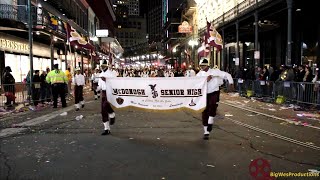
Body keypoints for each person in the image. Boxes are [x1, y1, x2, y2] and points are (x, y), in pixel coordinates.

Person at [196, 58, 234, 140]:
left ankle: (210, 122)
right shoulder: (199, 74)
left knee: (212, 106)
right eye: (201, 66)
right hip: (204, 94)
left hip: (214, 92)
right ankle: (206, 132)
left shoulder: (215, 72)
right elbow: (196, 84)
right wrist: (206, 80)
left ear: (207, 65)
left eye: (203, 66)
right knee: (204, 111)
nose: (202, 67)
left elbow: (227, 75)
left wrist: (231, 83)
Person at [97, 61, 116, 135]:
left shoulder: (112, 74)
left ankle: (112, 114)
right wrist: (96, 88)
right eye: (101, 66)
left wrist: (106, 80)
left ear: (107, 66)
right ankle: (106, 129)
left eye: (103, 66)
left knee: (105, 105)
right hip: (104, 92)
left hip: (110, 92)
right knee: (103, 111)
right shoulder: (101, 74)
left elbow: (115, 83)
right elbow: (100, 86)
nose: (102, 67)